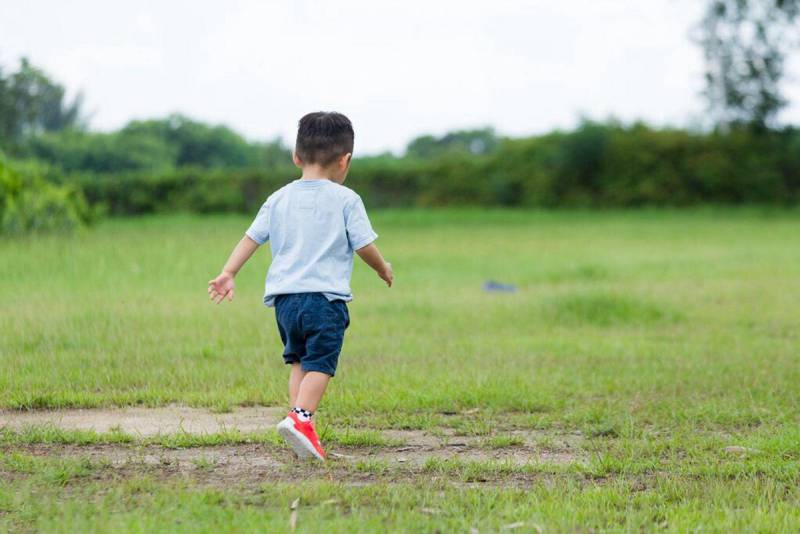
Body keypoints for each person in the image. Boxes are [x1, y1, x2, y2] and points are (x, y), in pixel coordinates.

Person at [207, 111, 393, 461]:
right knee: (321, 364)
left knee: (300, 363)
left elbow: (251, 238)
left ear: (296, 157)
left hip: (285, 303)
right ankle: (301, 418)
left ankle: (299, 429)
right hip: (324, 301)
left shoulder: (278, 198)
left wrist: (228, 271)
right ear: (345, 160)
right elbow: (364, 245)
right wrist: (383, 268)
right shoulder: (346, 199)